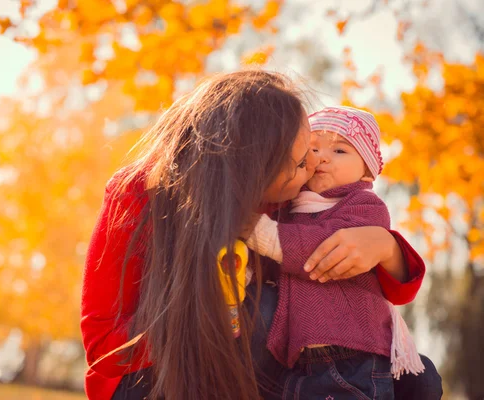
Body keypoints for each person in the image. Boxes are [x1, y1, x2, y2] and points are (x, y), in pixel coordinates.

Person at [80, 70, 427, 400]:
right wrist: (203, 317)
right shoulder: (139, 193)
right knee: (261, 308)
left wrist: (386, 246)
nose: (313, 168)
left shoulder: (283, 200)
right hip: (150, 376)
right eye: (300, 161)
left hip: (254, 358)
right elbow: (103, 347)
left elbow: (375, 284)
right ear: (254, 163)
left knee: (422, 381)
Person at [246, 106, 442, 399]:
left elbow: (319, 248)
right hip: (296, 360)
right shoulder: (288, 207)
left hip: (351, 358)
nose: (322, 157)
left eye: (340, 150)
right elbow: (268, 262)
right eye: (313, 149)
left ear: (366, 169)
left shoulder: (363, 207)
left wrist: (257, 232)